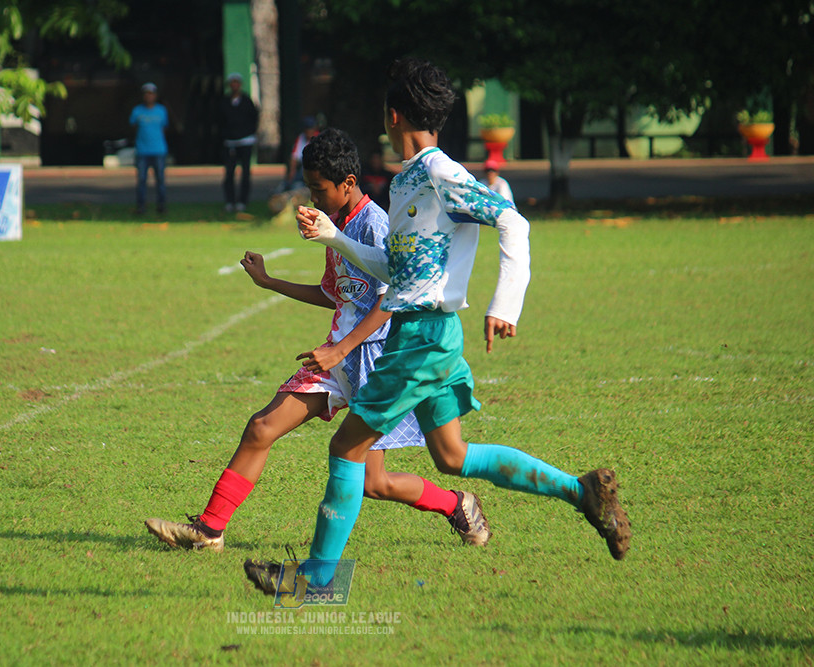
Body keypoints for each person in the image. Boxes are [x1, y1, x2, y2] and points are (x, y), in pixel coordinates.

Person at [244, 58, 630, 596]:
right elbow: (398, 273)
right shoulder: (409, 180)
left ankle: (315, 578)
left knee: (346, 448)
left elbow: (512, 221)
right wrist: (334, 236)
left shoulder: (438, 173)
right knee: (452, 457)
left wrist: (505, 304)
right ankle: (580, 490)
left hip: (421, 337)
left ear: (393, 114)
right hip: (428, 334)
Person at [144, 128, 490, 552]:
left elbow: (395, 296)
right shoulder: (337, 224)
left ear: (347, 184)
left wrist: (341, 348)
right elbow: (334, 293)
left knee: (373, 483)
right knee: (261, 427)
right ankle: (209, 530)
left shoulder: (376, 224)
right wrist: (270, 282)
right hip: (336, 359)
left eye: (318, 189)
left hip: (376, 363)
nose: (312, 199)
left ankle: (457, 504)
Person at [219, 73, 258, 212]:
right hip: (230, 142)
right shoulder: (224, 102)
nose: (234, 85)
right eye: (232, 82)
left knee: (245, 172)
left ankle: (243, 201)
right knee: (229, 173)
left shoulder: (247, 101)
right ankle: (230, 201)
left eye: (237, 82)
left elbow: (254, 118)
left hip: (246, 141)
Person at [129, 82, 169, 214]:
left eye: (151, 94)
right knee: (141, 181)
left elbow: (164, 128)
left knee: (160, 180)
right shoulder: (137, 111)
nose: (149, 96)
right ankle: (141, 206)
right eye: (146, 94)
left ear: (155, 95)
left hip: (159, 151)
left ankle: (161, 206)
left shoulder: (161, 111)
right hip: (142, 151)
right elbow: (133, 127)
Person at [284, 116, 319, 189]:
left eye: (310, 128)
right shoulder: (301, 138)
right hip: (302, 169)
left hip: (314, 169)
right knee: (289, 184)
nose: (309, 131)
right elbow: (294, 157)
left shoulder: (319, 138)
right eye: (307, 129)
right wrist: (292, 172)